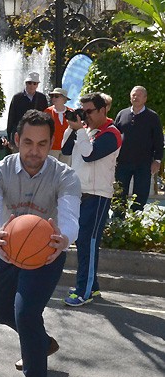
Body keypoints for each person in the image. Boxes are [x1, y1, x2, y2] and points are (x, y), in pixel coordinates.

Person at [0, 109, 80, 377]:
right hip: (8, 249)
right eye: (27, 142)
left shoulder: (65, 176)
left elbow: (69, 216)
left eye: (41, 143)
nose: (34, 150)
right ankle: (42, 341)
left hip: (47, 252)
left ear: (52, 144)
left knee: (25, 315)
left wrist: (64, 237)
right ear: (15, 141)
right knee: (1, 312)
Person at [61, 93, 121, 307]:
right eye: (82, 111)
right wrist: (72, 127)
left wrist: (80, 131)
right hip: (80, 192)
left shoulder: (112, 134)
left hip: (97, 195)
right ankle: (91, 287)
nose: (85, 115)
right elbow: (66, 149)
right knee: (84, 242)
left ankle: (83, 291)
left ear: (103, 109)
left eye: (89, 111)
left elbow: (89, 155)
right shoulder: (85, 130)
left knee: (89, 242)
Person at [114, 86, 164, 211]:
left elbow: (158, 140)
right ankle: (118, 222)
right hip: (123, 162)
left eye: (138, 95)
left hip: (143, 163)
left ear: (145, 98)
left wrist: (157, 160)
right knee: (119, 194)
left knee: (141, 194)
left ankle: (135, 220)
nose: (135, 97)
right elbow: (114, 136)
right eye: (133, 95)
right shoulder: (122, 114)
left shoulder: (152, 117)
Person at [6, 72, 48, 150]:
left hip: (36, 136)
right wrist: (9, 138)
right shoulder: (17, 97)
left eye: (34, 83)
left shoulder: (42, 98)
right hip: (19, 134)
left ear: (37, 85)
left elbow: (45, 118)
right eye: (29, 83)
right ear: (26, 83)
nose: (32, 85)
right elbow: (11, 117)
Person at [43, 88, 73, 164]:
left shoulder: (71, 112)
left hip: (67, 148)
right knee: (51, 171)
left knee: (65, 172)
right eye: (52, 96)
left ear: (64, 99)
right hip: (52, 148)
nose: (53, 98)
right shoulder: (47, 111)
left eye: (56, 96)